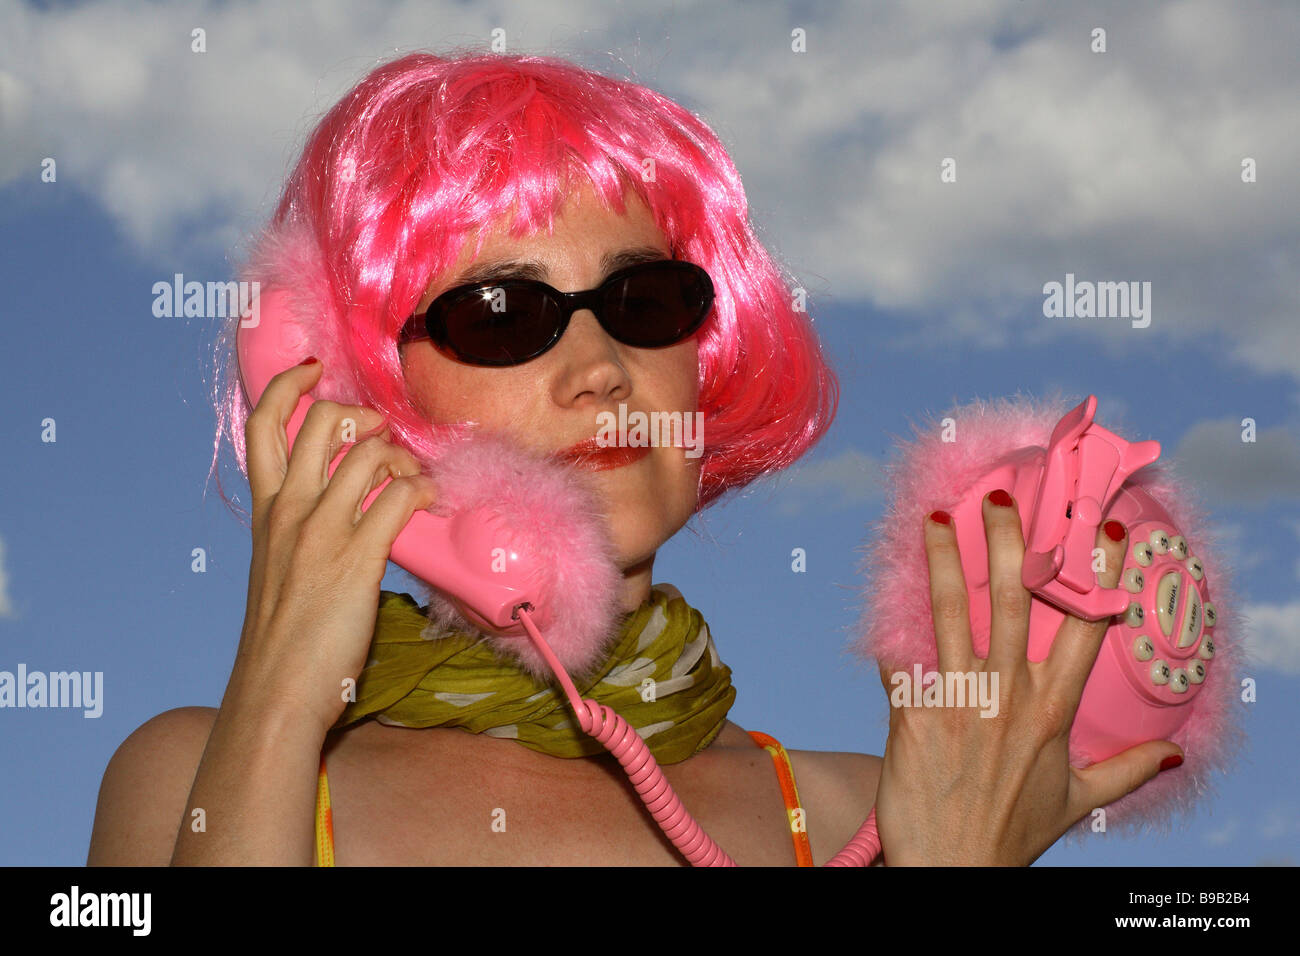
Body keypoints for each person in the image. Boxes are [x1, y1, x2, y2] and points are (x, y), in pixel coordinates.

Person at [87, 50, 1176, 867]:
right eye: (504, 312)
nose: (602, 365)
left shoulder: (876, 815)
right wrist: (280, 692)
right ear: (360, 388)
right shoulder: (197, 776)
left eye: (642, 301)